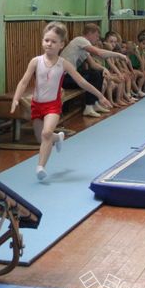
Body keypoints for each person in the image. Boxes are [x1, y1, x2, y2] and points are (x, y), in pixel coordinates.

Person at [11, 22, 111, 181]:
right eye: (46, 40)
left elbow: (82, 82)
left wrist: (100, 96)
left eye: (53, 41)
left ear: (61, 44)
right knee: (42, 138)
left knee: (46, 133)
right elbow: (24, 82)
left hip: (53, 106)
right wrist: (16, 98)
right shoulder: (35, 61)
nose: (49, 44)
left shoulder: (64, 64)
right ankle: (58, 138)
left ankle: (40, 167)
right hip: (36, 105)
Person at [60, 23, 127, 117]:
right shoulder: (80, 40)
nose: (97, 39)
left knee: (98, 72)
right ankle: (88, 106)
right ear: (90, 33)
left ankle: (94, 103)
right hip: (63, 78)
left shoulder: (84, 46)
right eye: (96, 36)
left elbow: (93, 64)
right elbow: (99, 53)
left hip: (70, 76)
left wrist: (104, 69)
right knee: (94, 74)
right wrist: (119, 55)